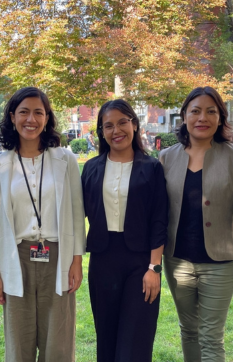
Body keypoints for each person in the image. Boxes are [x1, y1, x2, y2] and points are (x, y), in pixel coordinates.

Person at [0, 87, 86, 362]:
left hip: (58, 256)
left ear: (47, 118)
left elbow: (77, 213)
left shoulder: (65, 160)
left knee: (59, 341)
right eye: (24, 112)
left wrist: (76, 261)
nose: (31, 119)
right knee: (19, 341)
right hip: (15, 257)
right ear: (12, 116)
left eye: (38, 112)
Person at [159, 87, 233, 362]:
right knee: (189, 331)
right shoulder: (166, 158)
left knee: (211, 337)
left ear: (220, 117)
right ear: (184, 116)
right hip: (178, 261)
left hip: (218, 262)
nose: (202, 117)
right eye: (195, 111)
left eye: (211, 111)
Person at [81, 99, 168, 362]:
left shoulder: (151, 168)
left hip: (141, 263)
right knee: (106, 339)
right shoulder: (91, 168)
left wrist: (154, 268)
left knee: (135, 342)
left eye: (122, 122)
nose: (116, 130)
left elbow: (159, 219)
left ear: (134, 124)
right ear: (101, 131)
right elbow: (79, 213)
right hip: (103, 260)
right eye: (108, 126)